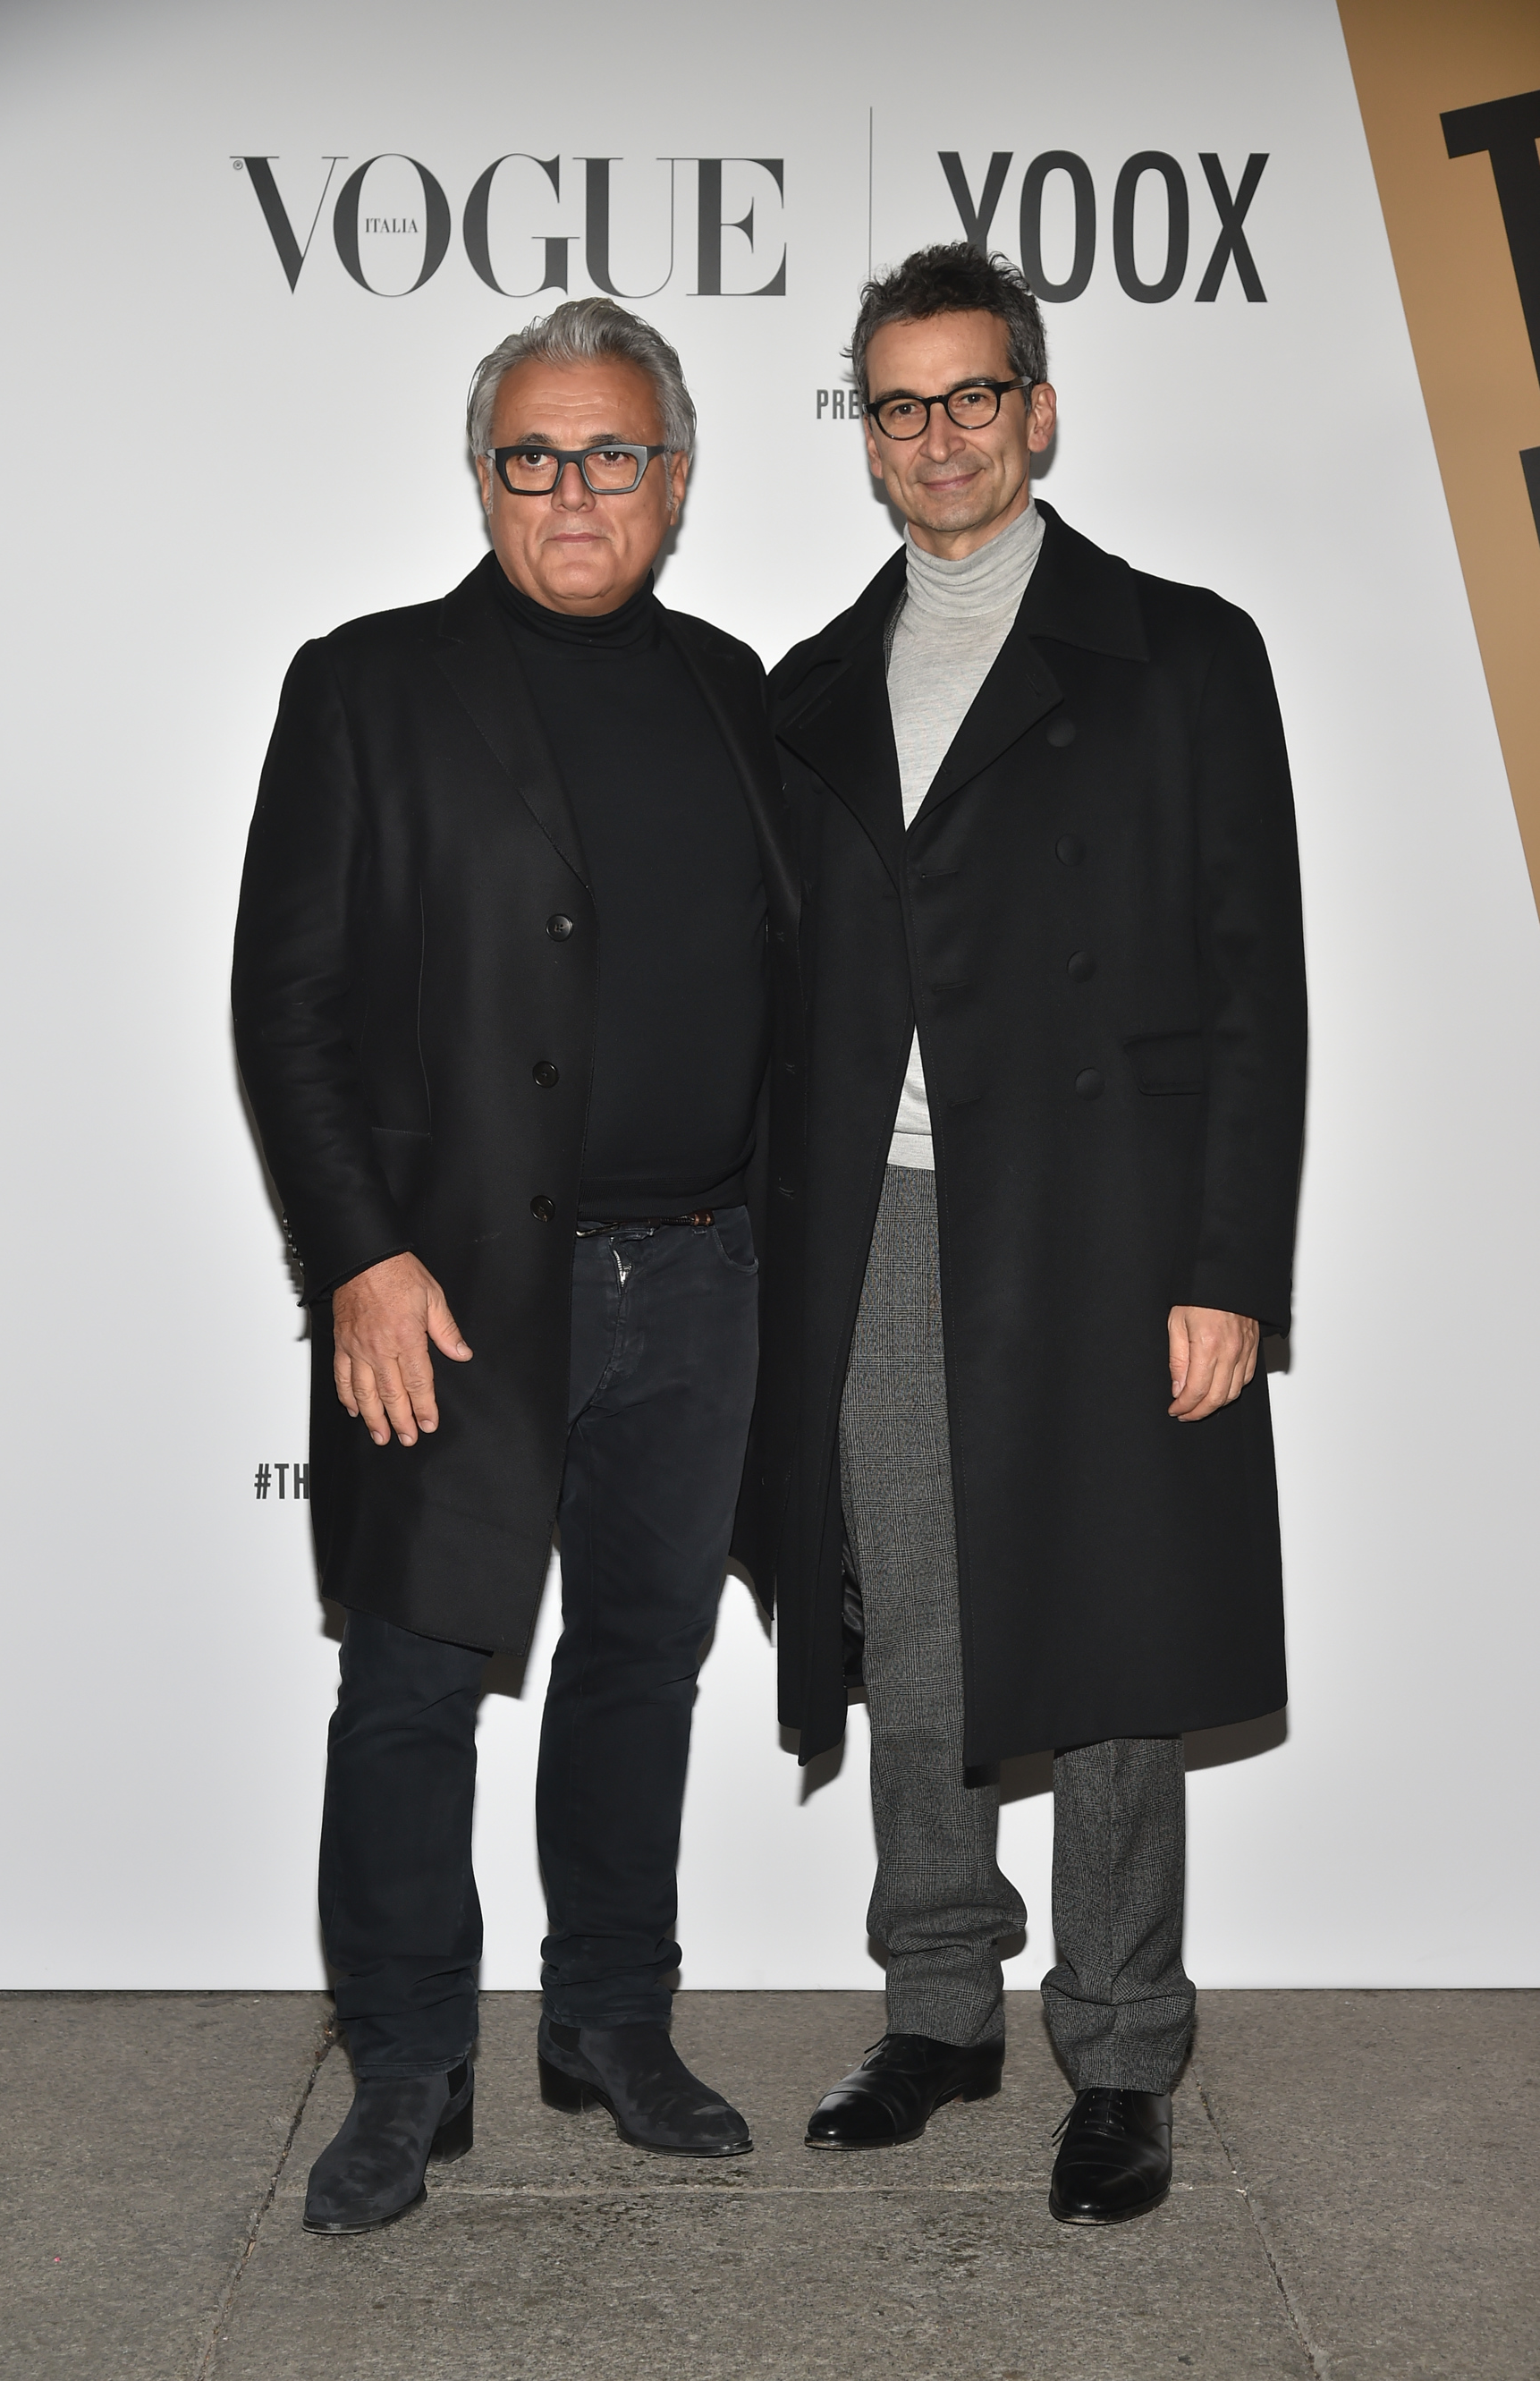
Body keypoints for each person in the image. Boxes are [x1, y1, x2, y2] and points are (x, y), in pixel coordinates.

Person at [233, 297, 801, 2234]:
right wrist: (358, 1258)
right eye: (534, 455)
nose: (575, 491)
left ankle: (610, 2023)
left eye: (612, 452)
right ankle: (405, 2063)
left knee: (642, 1663)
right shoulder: (366, 685)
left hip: (703, 1272)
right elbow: (285, 1004)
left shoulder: (734, 689)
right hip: (454, 1289)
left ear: (676, 476)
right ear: (483, 479)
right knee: (411, 1676)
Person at [768, 244, 1306, 2224]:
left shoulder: (1182, 652)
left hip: (1105, 1222)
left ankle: (1123, 2042)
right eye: (901, 405)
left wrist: (1228, 1264)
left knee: (1107, 1644)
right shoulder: (810, 689)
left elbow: (1256, 984)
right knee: (911, 1628)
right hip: (887, 1217)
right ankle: (937, 2005)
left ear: (1038, 410)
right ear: (870, 438)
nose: (940, 437)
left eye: (973, 395)